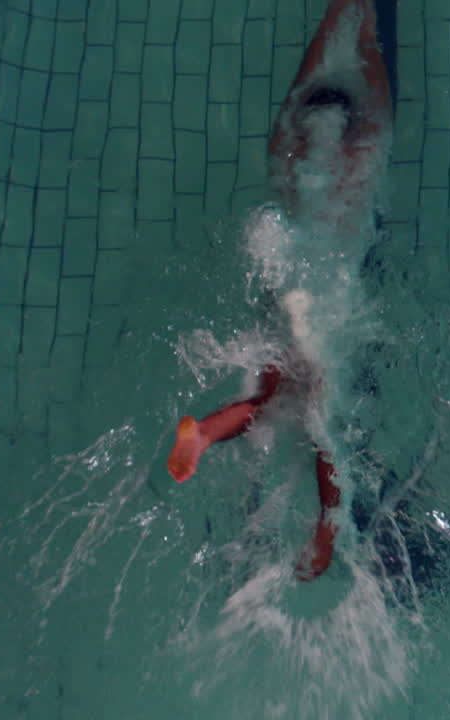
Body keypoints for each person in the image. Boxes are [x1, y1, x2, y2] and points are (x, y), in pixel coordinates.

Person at [167, 0, 393, 581]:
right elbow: (372, 87)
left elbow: (310, 85)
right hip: (321, 296)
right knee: (322, 411)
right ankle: (327, 523)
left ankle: (206, 432)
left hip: (289, 281)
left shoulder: (284, 154)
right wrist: (365, 30)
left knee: (270, 396)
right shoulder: (360, 158)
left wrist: (343, 15)